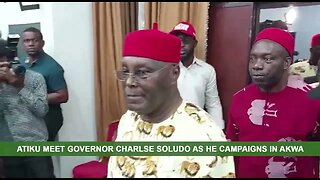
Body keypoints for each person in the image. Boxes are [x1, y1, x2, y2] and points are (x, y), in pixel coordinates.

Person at [107, 24, 235, 178]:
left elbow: (213, 103)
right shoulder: (128, 119)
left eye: (142, 72)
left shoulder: (205, 138)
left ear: (174, 73)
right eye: (125, 72)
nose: (129, 82)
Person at [226, 27, 320, 178]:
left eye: (267, 59)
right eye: (253, 58)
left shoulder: (312, 100)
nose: (256, 65)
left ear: (286, 62)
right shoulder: (239, 99)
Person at [0, 44, 55, 178]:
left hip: (35, 142)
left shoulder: (35, 78)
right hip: (8, 146)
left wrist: (18, 86)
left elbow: (42, 110)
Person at [169, 22, 224, 130]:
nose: (181, 44)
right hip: (169, 128)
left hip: (196, 129)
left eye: (186, 40)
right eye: (177, 40)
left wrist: (219, 131)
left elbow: (213, 104)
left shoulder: (207, 70)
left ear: (195, 43)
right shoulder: (166, 68)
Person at [19, 27, 69, 141]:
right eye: (27, 41)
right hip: (30, 116)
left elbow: (62, 96)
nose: (30, 44)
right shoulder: (22, 61)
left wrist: (33, 99)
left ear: (42, 43)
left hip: (48, 116)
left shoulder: (52, 67)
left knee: (40, 154)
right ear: (23, 44)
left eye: (35, 40)